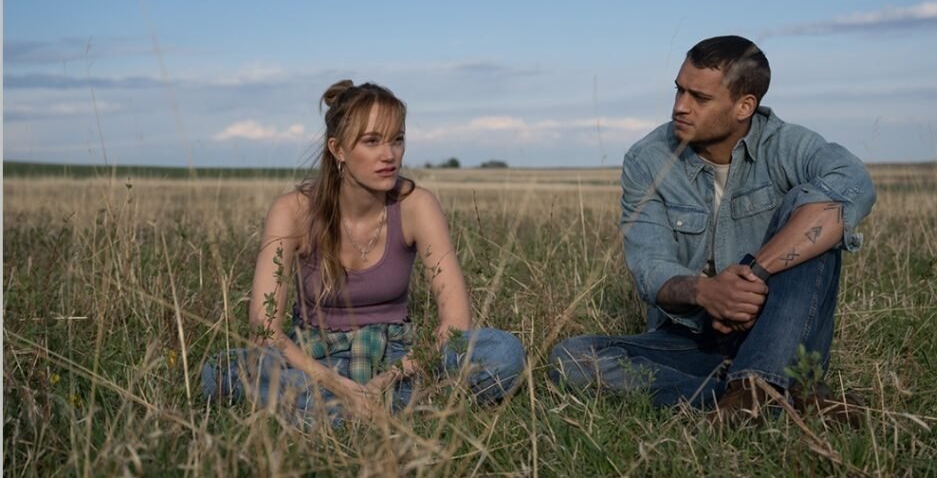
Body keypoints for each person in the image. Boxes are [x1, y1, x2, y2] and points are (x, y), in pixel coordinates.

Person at [549, 36, 876, 422]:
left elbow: (854, 185)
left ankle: (758, 386)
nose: (680, 107)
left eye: (699, 98)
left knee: (813, 207)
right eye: (679, 90)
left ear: (744, 106)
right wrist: (708, 293)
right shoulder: (648, 159)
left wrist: (751, 277)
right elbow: (650, 268)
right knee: (571, 358)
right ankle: (758, 397)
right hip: (695, 339)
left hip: (780, 331)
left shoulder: (788, 145)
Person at [201, 80, 525, 426]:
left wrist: (386, 380)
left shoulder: (417, 205)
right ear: (338, 149)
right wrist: (337, 384)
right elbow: (265, 332)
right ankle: (399, 410)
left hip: (398, 360)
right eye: (372, 141)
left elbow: (456, 325)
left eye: (397, 139)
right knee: (222, 370)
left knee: (504, 353)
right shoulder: (292, 211)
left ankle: (341, 413)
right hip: (314, 361)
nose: (389, 154)